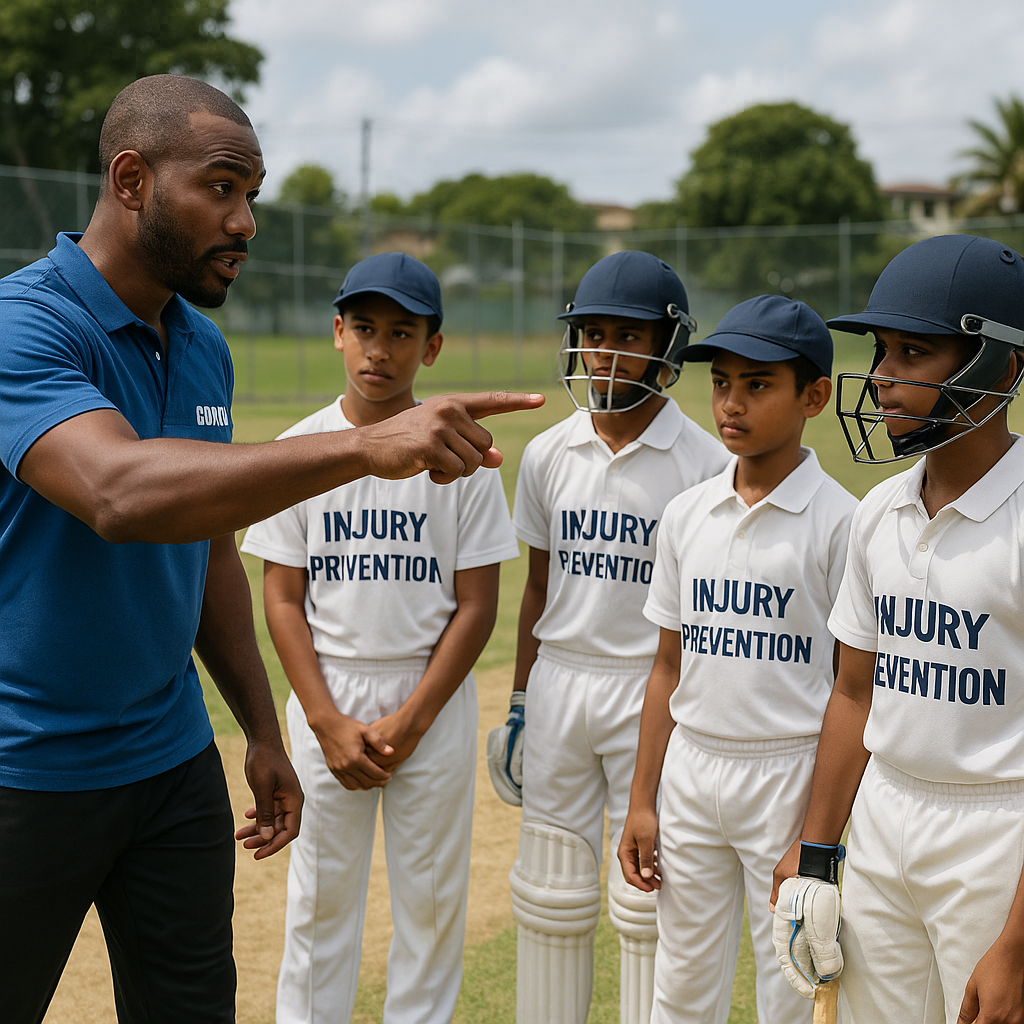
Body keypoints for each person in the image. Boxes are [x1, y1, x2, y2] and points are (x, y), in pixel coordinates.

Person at [0, 74, 540, 1024]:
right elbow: (119, 494)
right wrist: (364, 445)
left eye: (252, 192)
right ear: (131, 179)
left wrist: (259, 726)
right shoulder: (24, 323)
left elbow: (207, 554)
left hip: (170, 765)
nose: (245, 220)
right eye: (221, 187)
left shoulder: (203, 348)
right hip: (27, 768)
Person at [240, 252, 520, 1024]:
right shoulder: (299, 447)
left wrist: (412, 720)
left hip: (428, 702)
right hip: (326, 695)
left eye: (403, 332)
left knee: (430, 907)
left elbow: (476, 606)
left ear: (432, 347)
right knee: (320, 904)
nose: (379, 349)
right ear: (336, 331)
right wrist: (326, 720)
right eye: (364, 327)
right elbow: (284, 598)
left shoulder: (465, 456)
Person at [771, 234, 1024, 1024]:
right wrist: (815, 854)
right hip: (883, 819)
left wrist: (1016, 943)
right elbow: (854, 692)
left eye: (913, 353)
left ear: (1001, 368)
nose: (881, 378)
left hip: (996, 832)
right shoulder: (878, 509)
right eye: (881, 351)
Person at [488, 250, 730, 1024]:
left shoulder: (707, 465)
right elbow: (538, 587)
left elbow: (705, 618)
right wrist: (522, 699)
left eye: (626, 335)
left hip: (651, 690)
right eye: (593, 333)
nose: (604, 351)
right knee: (549, 890)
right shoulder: (550, 452)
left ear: (668, 347)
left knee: (647, 900)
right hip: (561, 680)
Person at [616, 294, 857, 1024]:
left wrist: (819, 836)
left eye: (759, 384)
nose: (732, 402)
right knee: (681, 985)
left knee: (789, 986)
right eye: (722, 382)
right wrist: (641, 798)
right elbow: (667, 667)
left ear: (814, 395)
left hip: (788, 773)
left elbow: (855, 689)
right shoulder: (687, 514)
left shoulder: (841, 521)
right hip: (693, 768)